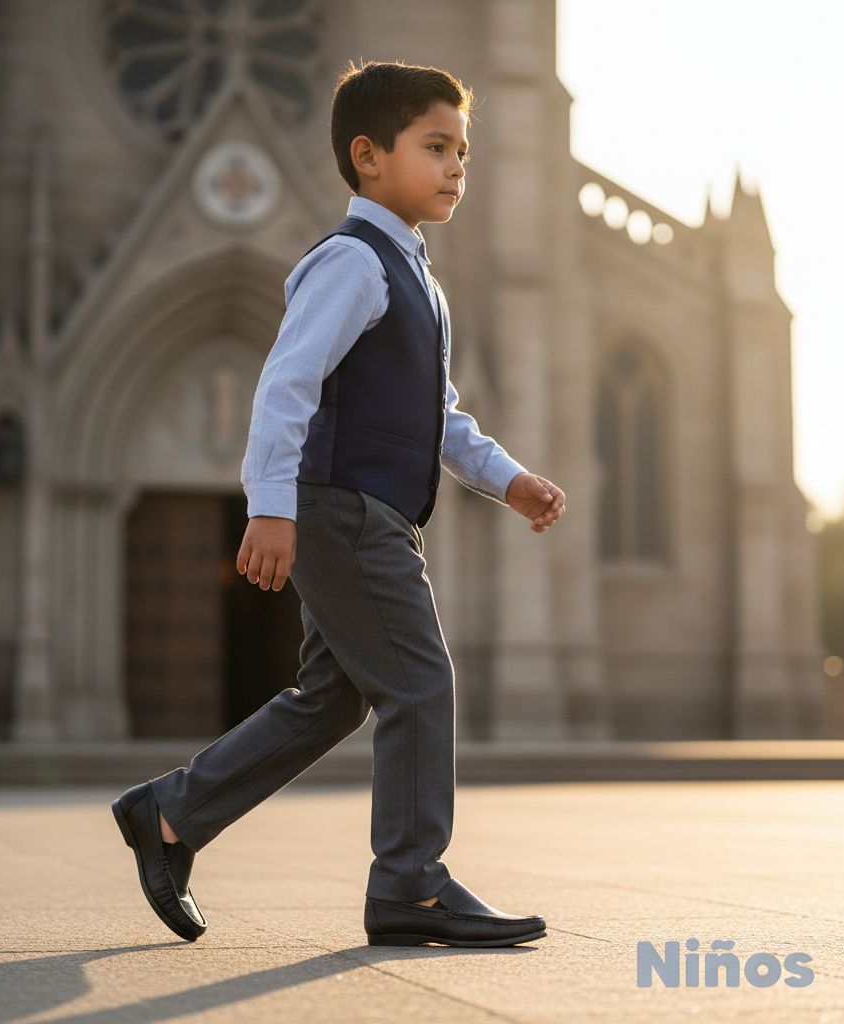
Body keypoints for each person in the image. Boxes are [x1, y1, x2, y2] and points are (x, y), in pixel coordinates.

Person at [112, 60, 566, 948]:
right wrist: (270, 507)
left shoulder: (417, 281)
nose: (456, 166)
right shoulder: (353, 262)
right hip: (343, 510)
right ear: (367, 156)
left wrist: (507, 477)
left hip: (370, 512)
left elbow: (437, 419)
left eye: (463, 151)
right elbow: (287, 383)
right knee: (419, 683)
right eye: (435, 147)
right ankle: (409, 885)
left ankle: (168, 815)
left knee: (332, 698)